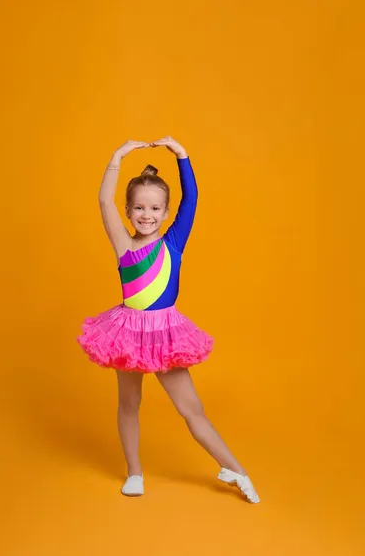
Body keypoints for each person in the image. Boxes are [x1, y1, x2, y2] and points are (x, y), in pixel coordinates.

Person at [77, 136, 260, 503]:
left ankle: (235, 470)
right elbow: (102, 200)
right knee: (129, 404)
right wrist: (117, 157)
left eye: (155, 209)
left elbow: (192, 200)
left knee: (191, 409)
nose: (147, 215)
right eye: (139, 208)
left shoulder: (173, 242)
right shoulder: (124, 245)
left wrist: (182, 155)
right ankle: (134, 472)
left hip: (164, 333)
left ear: (165, 212)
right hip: (128, 332)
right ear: (128, 212)